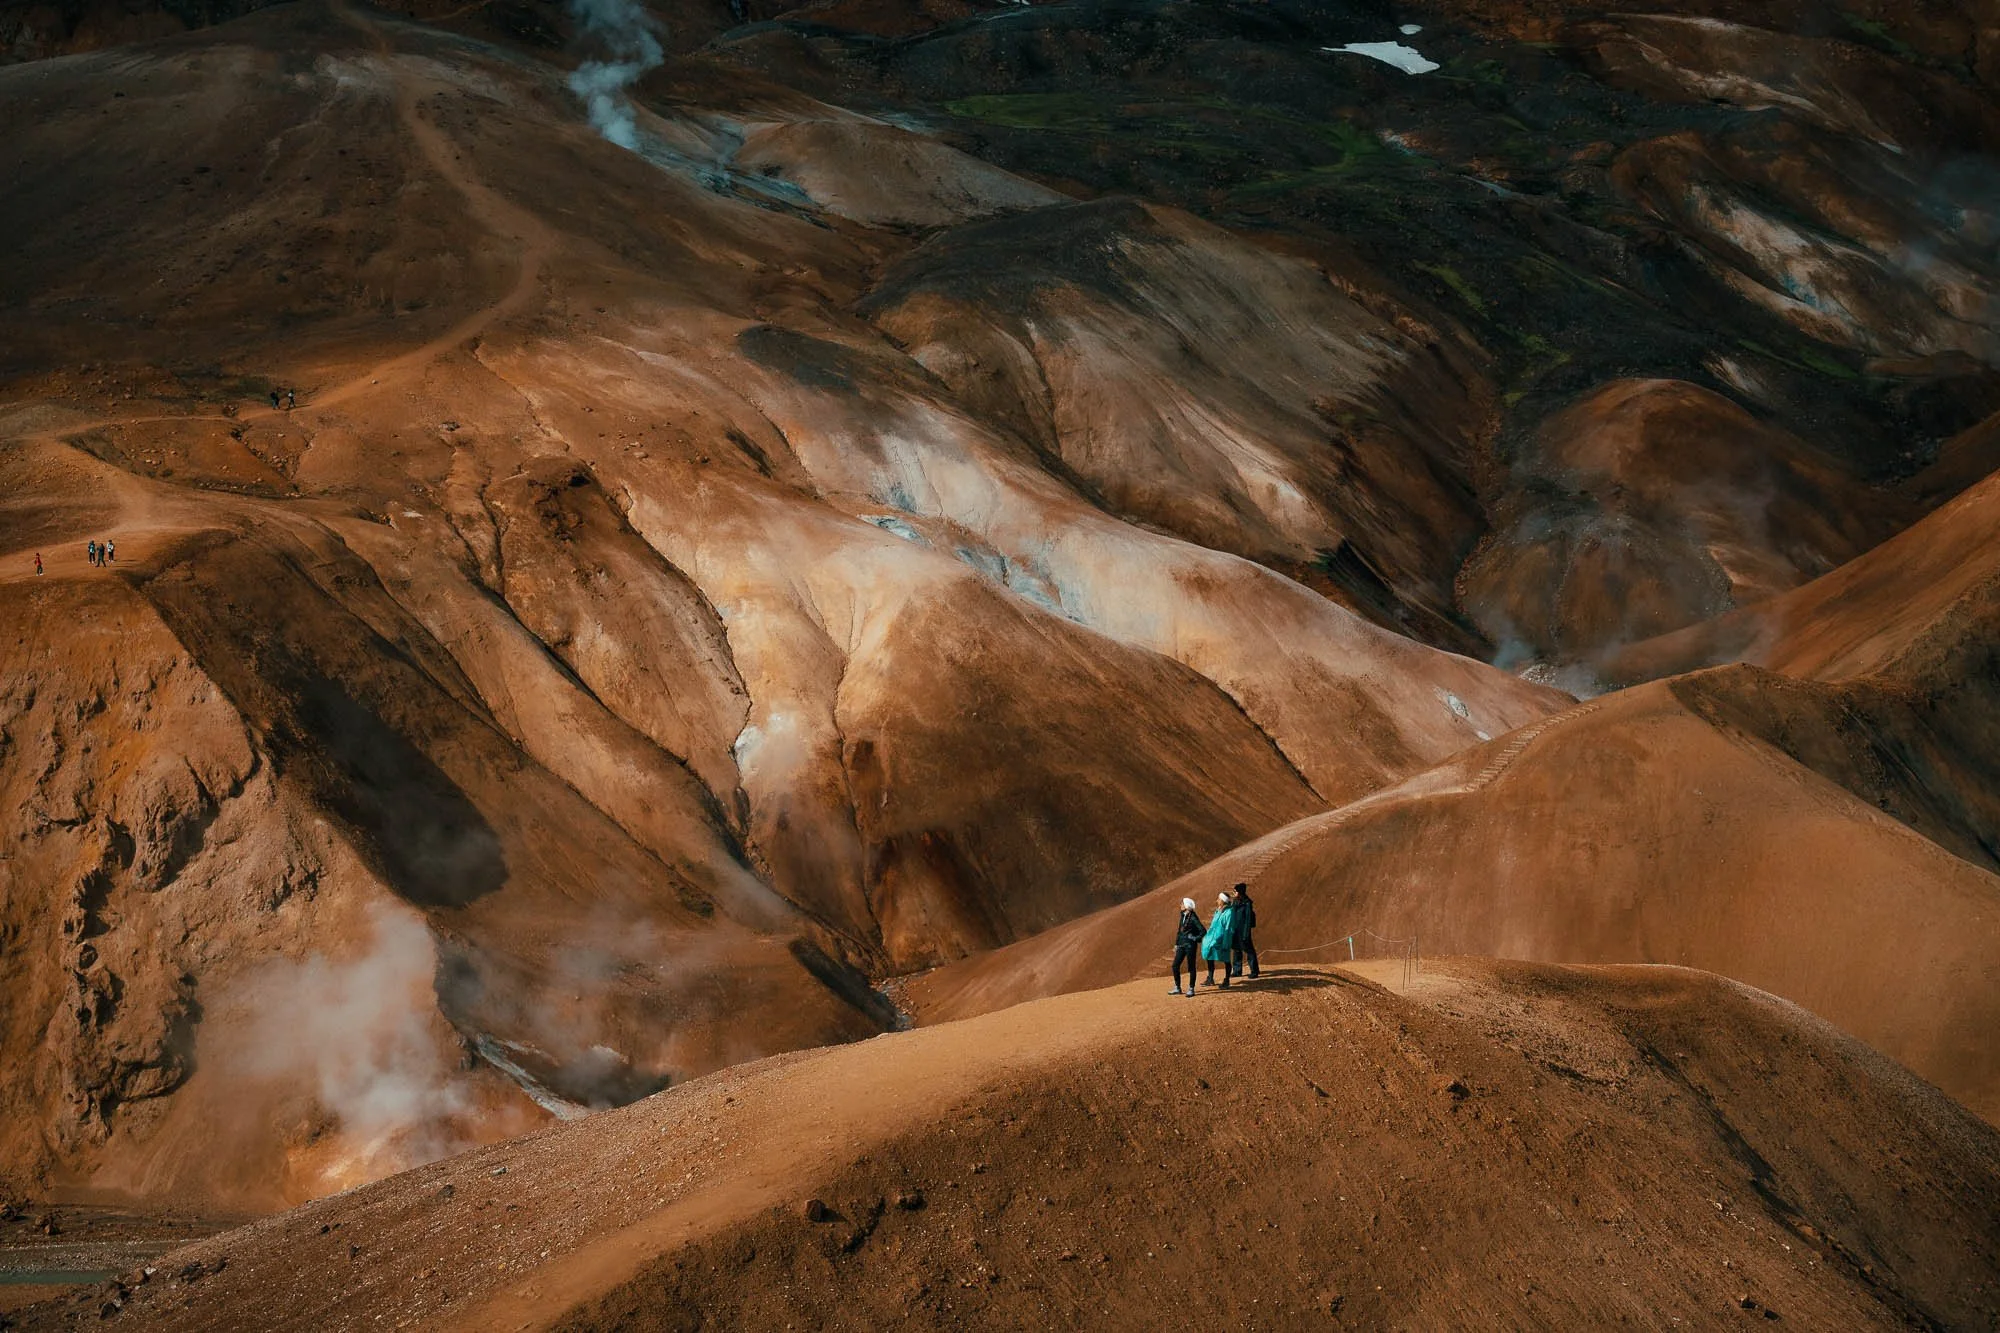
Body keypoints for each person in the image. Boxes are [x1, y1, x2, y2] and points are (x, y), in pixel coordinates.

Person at [1201, 890, 1236, 989]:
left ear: (1223, 901)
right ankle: (1210, 978)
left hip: (1222, 939)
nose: (1217, 900)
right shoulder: (1218, 910)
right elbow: (1213, 925)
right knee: (1209, 956)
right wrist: (1207, 937)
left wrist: (1226, 943)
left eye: (1219, 899)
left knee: (1226, 959)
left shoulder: (1229, 912)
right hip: (1212, 938)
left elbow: (1228, 929)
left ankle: (1227, 980)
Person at [1170, 897, 1204, 996]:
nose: (1180, 905)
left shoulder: (1193, 917)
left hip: (1190, 946)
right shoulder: (1183, 916)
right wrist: (1176, 944)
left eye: (1182, 904)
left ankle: (1191, 989)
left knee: (1191, 967)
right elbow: (1179, 932)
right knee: (1175, 965)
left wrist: (1195, 938)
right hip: (1181, 945)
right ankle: (1177, 987)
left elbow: (1203, 931)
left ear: (1187, 906)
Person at [1230, 882, 1259, 979]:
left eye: (1235, 891)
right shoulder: (1235, 901)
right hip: (1235, 930)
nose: (1233, 893)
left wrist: (1246, 933)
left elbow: (1247, 919)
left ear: (1240, 892)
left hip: (1243, 931)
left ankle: (1254, 971)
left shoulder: (1247, 903)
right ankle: (1237, 971)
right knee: (1237, 950)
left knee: (1249, 950)